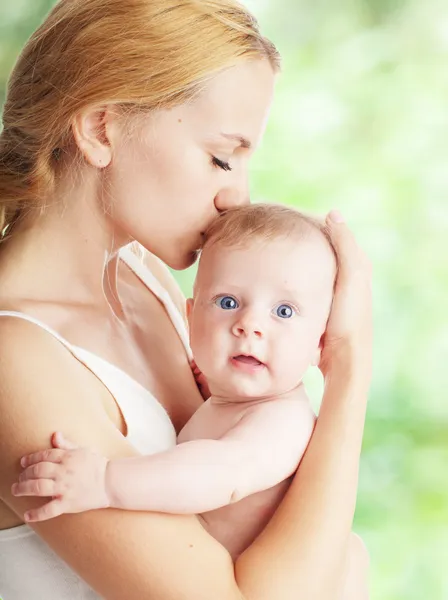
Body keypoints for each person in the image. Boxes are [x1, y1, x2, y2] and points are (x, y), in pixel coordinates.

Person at [0, 1, 372, 599]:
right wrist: (349, 369)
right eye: (222, 156)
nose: (237, 197)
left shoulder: (145, 278)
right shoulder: (14, 356)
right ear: (100, 128)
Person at [12, 205, 335, 561]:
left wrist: (106, 481)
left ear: (319, 342)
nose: (250, 324)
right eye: (228, 302)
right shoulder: (235, 400)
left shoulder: (283, 422)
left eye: (283, 312)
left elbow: (220, 474)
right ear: (191, 317)